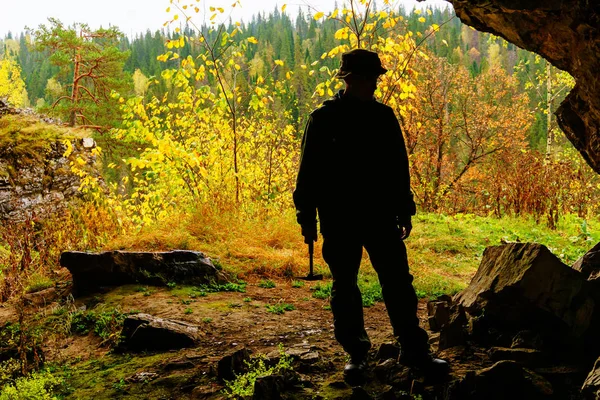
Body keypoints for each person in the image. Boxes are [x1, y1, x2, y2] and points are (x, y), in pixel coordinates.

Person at [293, 49, 448, 385]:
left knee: (398, 283)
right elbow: (309, 173)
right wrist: (306, 215)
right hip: (339, 217)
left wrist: (404, 208)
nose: (373, 84)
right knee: (345, 286)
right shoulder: (323, 119)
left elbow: (397, 167)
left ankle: (413, 349)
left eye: (375, 78)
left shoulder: (383, 117)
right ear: (350, 80)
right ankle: (356, 355)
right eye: (368, 78)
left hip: (379, 215)